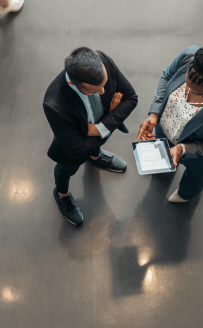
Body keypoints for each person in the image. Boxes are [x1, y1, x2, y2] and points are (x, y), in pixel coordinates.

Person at [136, 45, 203, 202]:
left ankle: (186, 193)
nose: (188, 92)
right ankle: (164, 165)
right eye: (186, 83)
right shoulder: (189, 55)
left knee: (196, 175)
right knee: (164, 157)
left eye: (198, 93)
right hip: (165, 129)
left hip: (195, 154)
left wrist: (183, 148)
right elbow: (167, 76)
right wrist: (154, 113)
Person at [43, 47, 138, 226]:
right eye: (95, 91)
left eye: (104, 84)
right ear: (73, 84)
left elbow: (131, 98)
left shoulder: (103, 60)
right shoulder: (54, 105)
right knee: (67, 169)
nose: (103, 92)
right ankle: (61, 194)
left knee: (94, 145)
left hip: (93, 132)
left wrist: (99, 128)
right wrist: (111, 118)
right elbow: (77, 150)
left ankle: (96, 156)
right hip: (72, 149)